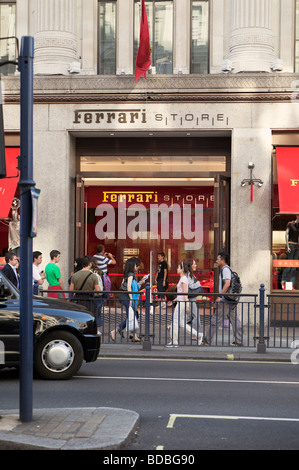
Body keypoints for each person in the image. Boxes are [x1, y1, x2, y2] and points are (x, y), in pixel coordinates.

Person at [203, 251, 243, 346]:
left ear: (222, 260)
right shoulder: (227, 269)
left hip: (225, 300)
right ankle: (239, 341)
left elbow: (227, 283)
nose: (216, 260)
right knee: (235, 320)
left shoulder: (225, 270)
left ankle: (207, 340)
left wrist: (220, 296)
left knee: (216, 319)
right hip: (230, 299)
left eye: (218, 259)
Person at [167, 261, 202, 347]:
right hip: (180, 302)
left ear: (182, 269)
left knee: (175, 321)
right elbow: (181, 294)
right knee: (182, 323)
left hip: (181, 304)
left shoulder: (183, 279)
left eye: (178, 267)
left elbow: (185, 294)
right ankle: (198, 335)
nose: (177, 269)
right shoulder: (183, 278)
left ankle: (174, 341)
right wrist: (174, 300)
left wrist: (187, 306)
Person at [110, 257, 141, 342]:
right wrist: (131, 298)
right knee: (133, 315)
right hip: (127, 297)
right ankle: (115, 331)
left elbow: (124, 285)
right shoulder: (131, 274)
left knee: (133, 315)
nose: (137, 267)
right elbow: (128, 287)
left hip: (124, 296)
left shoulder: (127, 274)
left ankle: (132, 334)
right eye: (136, 265)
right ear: (132, 265)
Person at [70, 256, 102, 334]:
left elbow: (71, 290)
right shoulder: (93, 276)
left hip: (78, 299)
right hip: (89, 299)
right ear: (90, 264)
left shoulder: (75, 275)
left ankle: (79, 331)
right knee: (90, 316)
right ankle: (90, 332)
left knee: (78, 316)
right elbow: (97, 290)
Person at [185, 258, 203, 340]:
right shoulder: (188, 275)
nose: (196, 265)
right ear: (190, 266)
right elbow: (191, 286)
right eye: (194, 264)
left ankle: (172, 326)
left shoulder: (190, 274)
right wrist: (199, 283)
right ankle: (195, 334)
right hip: (191, 300)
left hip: (191, 300)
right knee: (196, 317)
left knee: (186, 317)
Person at [281, 218, 299, 290]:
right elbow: (286, 234)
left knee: (294, 267)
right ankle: (283, 281)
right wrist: (287, 246)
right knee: (289, 265)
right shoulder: (290, 224)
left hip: (297, 245)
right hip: (291, 244)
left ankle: (292, 284)